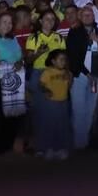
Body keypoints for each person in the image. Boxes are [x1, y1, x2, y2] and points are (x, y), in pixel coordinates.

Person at [65, 0, 98, 150]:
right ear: (80, 17)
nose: (87, 17)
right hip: (80, 75)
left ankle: (83, 141)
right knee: (78, 109)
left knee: (90, 110)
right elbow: (72, 56)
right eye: (84, 15)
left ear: (94, 16)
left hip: (96, 77)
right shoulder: (74, 32)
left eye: (89, 14)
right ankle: (78, 143)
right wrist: (87, 74)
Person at [0, 10, 26, 155]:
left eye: (10, 23)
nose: (7, 25)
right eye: (4, 22)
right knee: (1, 114)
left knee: (14, 112)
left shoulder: (13, 39)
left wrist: (19, 63)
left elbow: (20, 57)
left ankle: (9, 144)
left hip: (15, 79)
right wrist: (9, 67)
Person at [26, 10, 66, 160]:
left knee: (56, 113)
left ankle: (56, 146)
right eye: (46, 19)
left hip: (56, 75)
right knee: (40, 113)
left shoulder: (59, 37)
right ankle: (41, 147)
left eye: (52, 19)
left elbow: (64, 59)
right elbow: (28, 60)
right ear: (41, 21)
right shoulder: (34, 37)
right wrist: (39, 53)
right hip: (39, 74)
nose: (49, 22)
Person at [35, 49, 73, 160]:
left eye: (64, 60)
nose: (63, 62)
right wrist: (46, 90)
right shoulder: (48, 72)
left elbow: (69, 86)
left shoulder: (66, 73)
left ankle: (60, 148)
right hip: (51, 103)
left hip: (63, 101)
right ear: (53, 61)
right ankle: (48, 148)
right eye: (60, 59)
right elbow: (41, 84)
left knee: (62, 125)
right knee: (50, 125)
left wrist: (70, 78)